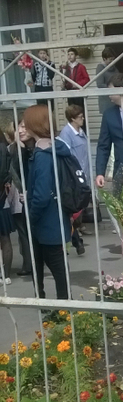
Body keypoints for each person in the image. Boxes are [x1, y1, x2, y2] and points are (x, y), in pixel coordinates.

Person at [23, 105, 71, 300]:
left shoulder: (43, 155)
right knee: (53, 266)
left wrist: (31, 216)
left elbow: (42, 194)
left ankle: (64, 308)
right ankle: (57, 306)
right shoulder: (53, 147)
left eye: (26, 122)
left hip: (47, 221)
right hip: (54, 218)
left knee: (57, 268)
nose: (23, 126)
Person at [58, 104, 91, 256]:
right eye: (80, 117)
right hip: (73, 178)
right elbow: (67, 158)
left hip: (83, 175)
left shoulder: (81, 132)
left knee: (74, 214)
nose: (83, 119)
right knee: (71, 214)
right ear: (72, 119)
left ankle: (73, 240)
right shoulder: (66, 134)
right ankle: (72, 242)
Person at [6, 121, 34, 276]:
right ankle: (30, 262)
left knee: (23, 230)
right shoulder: (21, 149)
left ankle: (29, 264)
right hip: (22, 194)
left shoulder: (16, 150)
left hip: (19, 195)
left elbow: (14, 173)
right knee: (25, 230)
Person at [0, 129, 15, 285]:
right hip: (2, 196)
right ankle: (6, 274)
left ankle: (4, 274)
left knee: (4, 238)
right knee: (5, 237)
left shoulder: (1, 149)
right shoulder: (4, 147)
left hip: (1, 197)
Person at [95, 47, 119, 114]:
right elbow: (99, 84)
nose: (112, 61)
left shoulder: (114, 68)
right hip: (106, 100)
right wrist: (111, 86)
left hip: (115, 98)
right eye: (110, 59)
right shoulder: (100, 68)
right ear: (104, 59)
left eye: (113, 59)